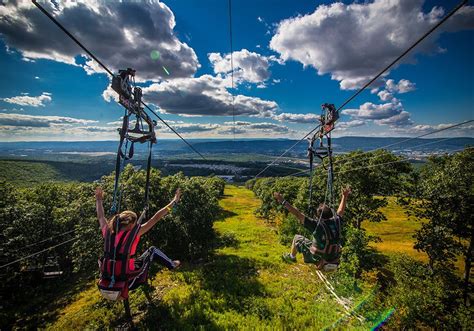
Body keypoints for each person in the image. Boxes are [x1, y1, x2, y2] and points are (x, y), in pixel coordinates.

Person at [95, 187, 182, 300]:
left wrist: (98, 199)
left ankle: (170, 264)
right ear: (131, 225)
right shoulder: (135, 233)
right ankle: (171, 264)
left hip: (107, 281)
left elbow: (101, 216)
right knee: (152, 250)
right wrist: (174, 201)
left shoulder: (107, 231)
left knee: (130, 260)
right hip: (129, 281)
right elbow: (157, 217)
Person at [273, 186, 352, 270]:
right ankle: (328, 262)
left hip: (318, 256)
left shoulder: (316, 225)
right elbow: (340, 211)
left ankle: (292, 257)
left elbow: (297, 213)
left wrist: (282, 201)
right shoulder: (337, 221)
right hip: (334, 256)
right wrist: (345, 196)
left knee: (297, 238)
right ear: (331, 214)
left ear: (319, 217)